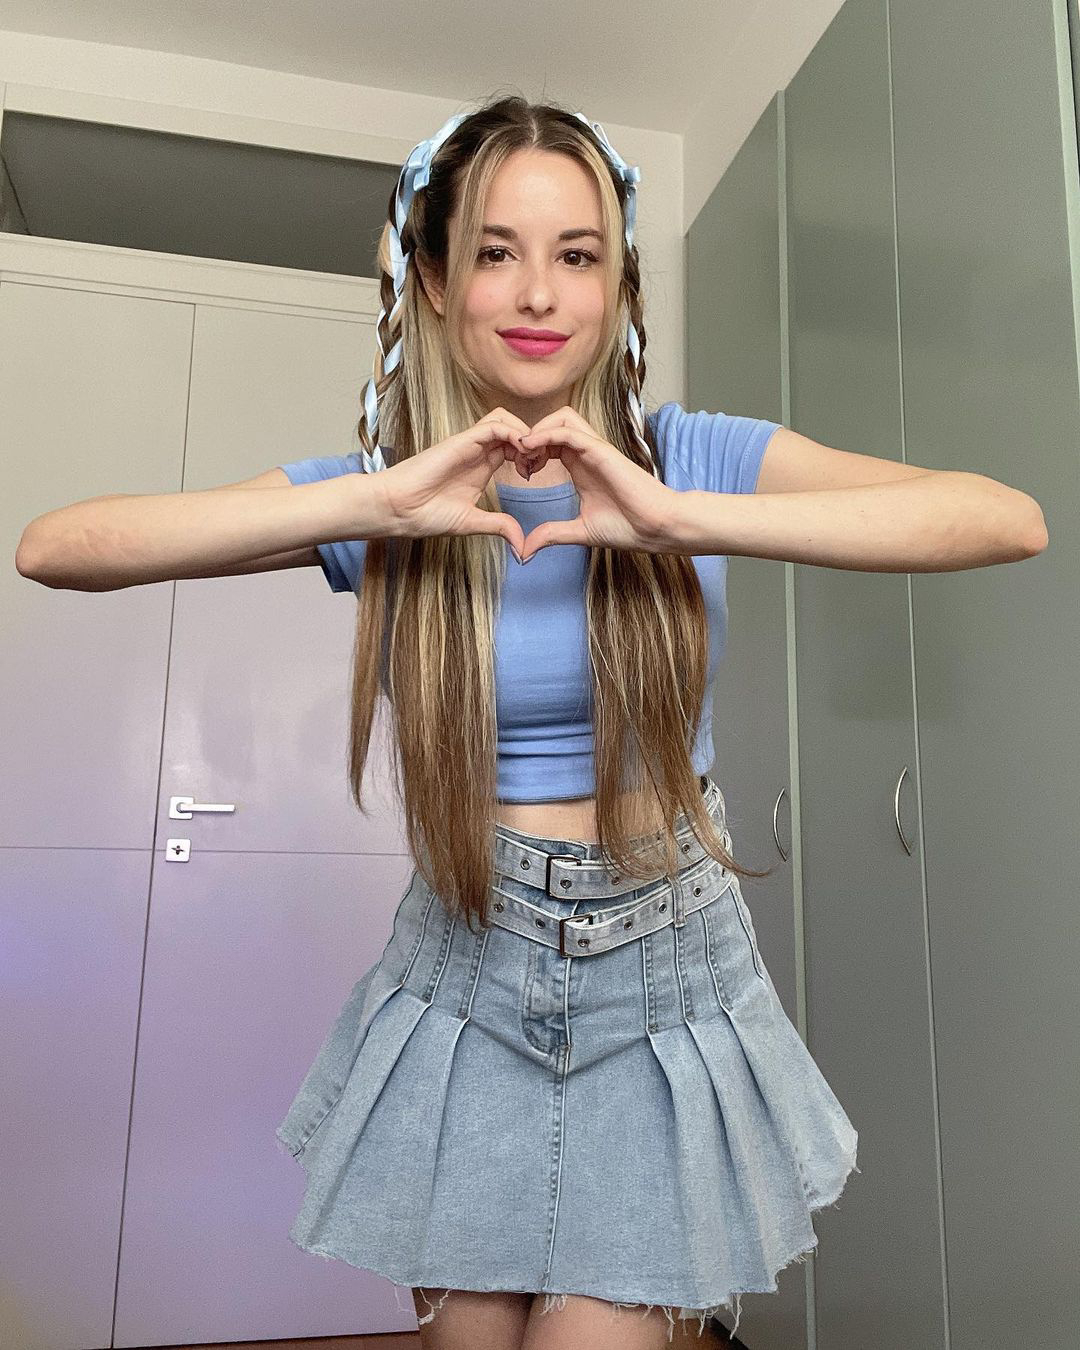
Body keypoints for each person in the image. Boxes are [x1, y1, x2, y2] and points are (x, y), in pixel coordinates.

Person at [18, 90, 1043, 1350]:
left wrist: (678, 520)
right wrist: (373, 504)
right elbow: (59, 548)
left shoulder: (691, 458)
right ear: (434, 282)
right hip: (469, 962)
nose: (541, 293)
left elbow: (1002, 519)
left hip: (663, 970)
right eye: (496, 251)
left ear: (617, 288)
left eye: (579, 255)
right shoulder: (391, 499)